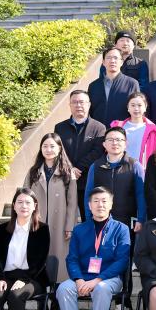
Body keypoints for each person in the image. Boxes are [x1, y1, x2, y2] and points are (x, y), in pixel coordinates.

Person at [57, 187, 132, 310]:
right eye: (96, 201)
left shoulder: (121, 229)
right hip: (83, 277)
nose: (100, 205)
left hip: (109, 278)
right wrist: (78, 280)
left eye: (104, 201)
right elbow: (72, 259)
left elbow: (122, 261)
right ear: (89, 205)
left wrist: (97, 280)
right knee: (63, 289)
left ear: (111, 204)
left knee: (101, 289)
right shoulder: (79, 230)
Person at [24, 133, 78, 283]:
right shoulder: (33, 172)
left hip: (59, 223)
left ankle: (57, 292)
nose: (48, 150)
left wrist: (70, 226)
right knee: (38, 257)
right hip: (37, 222)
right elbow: (24, 198)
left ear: (60, 148)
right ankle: (38, 289)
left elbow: (72, 203)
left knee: (58, 261)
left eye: (52, 146)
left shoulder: (68, 172)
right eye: (45, 146)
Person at [55, 89, 108, 218]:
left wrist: (78, 168)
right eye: (75, 102)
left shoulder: (99, 128)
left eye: (82, 102)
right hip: (66, 180)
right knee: (65, 219)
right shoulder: (60, 128)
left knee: (88, 218)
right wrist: (69, 168)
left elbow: (97, 152)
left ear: (89, 104)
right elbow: (59, 151)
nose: (78, 105)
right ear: (70, 105)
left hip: (88, 181)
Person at [83, 126, 146, 233]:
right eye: (110, 140)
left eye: (118, 139)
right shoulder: (95, 166)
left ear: (125, 144)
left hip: (128, 221)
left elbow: (141, 194)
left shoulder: (135, 166)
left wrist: (141, 219)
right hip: (100, 221)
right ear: (104, 144)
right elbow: (88, 194)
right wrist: (89, 218)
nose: (115, 143)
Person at [88, 45, 140, 125]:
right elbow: (90, 112)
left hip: (122, 130)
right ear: (103, 62)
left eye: (116, 58)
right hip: (99, 130)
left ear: (121, 62)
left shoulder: (132, 84)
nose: (112, 61)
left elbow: (137, 109)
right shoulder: (93, 86)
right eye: (109, 58)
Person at [109, 92, 156, 167]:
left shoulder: (153, 131)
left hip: (142, 170)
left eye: (139, 105)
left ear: (145, 107)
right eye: (133, 105)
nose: (136, 109)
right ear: (128, 107)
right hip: (119, 169)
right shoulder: (117, 127)